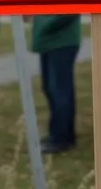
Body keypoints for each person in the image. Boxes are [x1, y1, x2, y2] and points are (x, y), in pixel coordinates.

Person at [30, 14, 82, 154]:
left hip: (61, 41)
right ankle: (61, 134)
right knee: (49, 88)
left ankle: (60, 139)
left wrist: (46, 25)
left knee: (59, 91)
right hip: (48, 42)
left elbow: (72, 10)